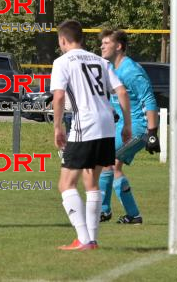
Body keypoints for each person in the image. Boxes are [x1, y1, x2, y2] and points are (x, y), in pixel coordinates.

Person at [50, 20, 132, 250]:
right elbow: (122, 91)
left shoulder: (62, 61)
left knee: (66, 184)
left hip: (84, 124)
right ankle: (92, 240)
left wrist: (57, 127)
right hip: (106, 124)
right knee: (92, 182)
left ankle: (83, 239)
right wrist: (127, 125)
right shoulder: (100, 61)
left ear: (63, 40)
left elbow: (58, 97)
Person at [99, 29, 160, 224]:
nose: (102, 46)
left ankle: (103, 210)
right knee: (114, 167)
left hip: (138, 128)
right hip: (124, 127)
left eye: (106, 43)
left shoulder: (130, 70)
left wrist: (152, 133)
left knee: (105, 160)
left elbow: (149, 98)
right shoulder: (112, 69)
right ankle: (133, 215)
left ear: (119, 46)